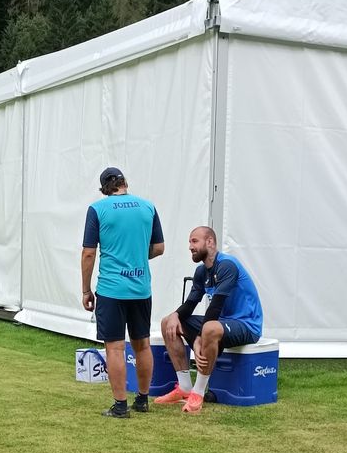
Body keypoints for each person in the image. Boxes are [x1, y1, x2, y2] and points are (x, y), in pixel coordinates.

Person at [81, 167, 164, 418]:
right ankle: (142, 399)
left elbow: (88, 253)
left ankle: (119, 405)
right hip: (140, 287)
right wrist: (138, 255)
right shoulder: (148, 207)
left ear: (104, 188)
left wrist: (86, 289)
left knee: (115, 348)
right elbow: (159, 248)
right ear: (125, 183)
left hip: (111, 289)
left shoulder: (98, 209)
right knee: (142, 344)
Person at [155, 226, 262, 414]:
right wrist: (175, 315)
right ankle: (184, 388)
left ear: (210, 242)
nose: (190, 246)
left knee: (209, 328)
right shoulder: (201, 272)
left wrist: (198, 338)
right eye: (189, 242)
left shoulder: (227, 265)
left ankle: (198, 392)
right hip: (219, 323)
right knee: (168, 323)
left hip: (246, 325)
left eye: (194, 241)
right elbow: (190, 304)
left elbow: (215, 307)